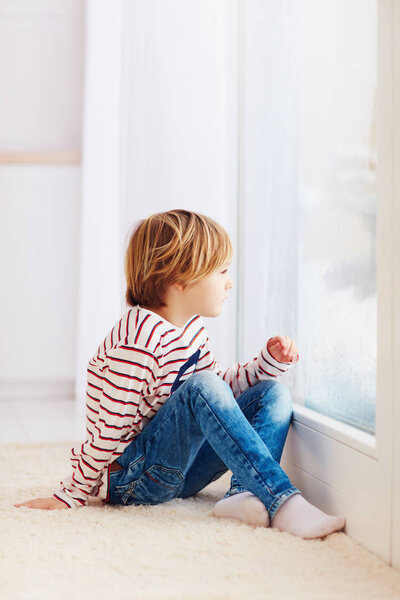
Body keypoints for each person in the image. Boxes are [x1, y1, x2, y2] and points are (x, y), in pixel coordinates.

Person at [15, 209, 345, 538]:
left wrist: (267, 363)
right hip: (133, 479)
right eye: (222, 272)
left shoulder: (190, 328)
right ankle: (281, 499)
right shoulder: (139, 339)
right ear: (181, 279)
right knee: (203, 385)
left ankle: (244, 494)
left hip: (180, 469)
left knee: (272, 393)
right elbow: (108, 429)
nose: (229, 283)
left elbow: (219, 395)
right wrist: (71, 494)